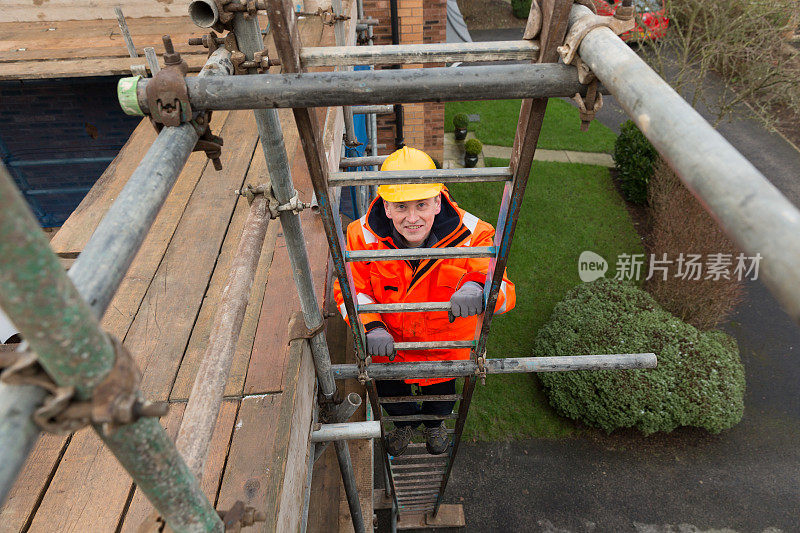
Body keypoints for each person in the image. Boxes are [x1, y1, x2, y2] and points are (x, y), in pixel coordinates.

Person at [334, 146, 515, 456]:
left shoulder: (475, 236)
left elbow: (505, 291)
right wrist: (370, 325)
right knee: (393, 399)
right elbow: (350, 288)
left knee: (442, 401)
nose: (412, 218)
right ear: (386, 206)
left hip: (444, 355)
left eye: (421, 205)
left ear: (437, 200)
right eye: (401, 207)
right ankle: (403, 426)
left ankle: (434, 426)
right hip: (390, 349)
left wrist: (479, 288)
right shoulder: (358, 238)